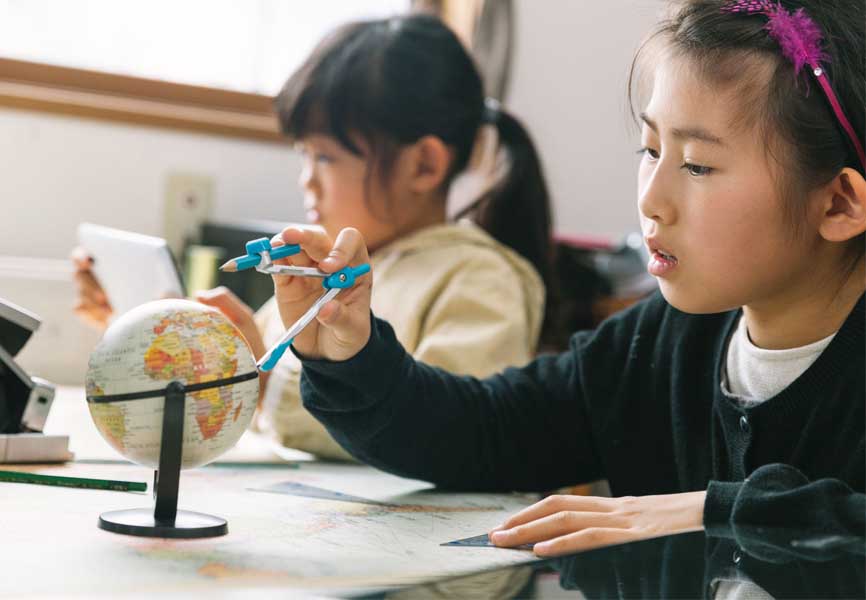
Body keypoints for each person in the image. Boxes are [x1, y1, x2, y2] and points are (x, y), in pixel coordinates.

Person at [262, 0, 865, 557]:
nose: (651, 201)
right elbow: (478, 432)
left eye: (697, 165)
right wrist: (350, 357)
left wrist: (710, 511)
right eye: (651, 151)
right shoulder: (654, 343)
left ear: (838, 204)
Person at [72, 13, 555, 460]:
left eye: (324, 156)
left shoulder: (480, 279)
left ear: (424, 165)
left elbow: (450, 433)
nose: (306, 179)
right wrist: (153, 341)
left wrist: (260, 386)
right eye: (303, 154)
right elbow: (239, 378)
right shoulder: (327, 272)